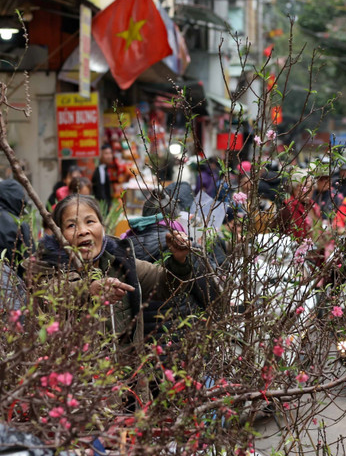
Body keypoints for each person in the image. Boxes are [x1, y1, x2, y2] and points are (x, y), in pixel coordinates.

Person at [29, 194, 192, 346]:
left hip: (123, 373)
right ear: (59, 235)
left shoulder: (121, 262)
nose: (83, 231)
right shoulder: (46, 266)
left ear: (102, 227)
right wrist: (89, 290)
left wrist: (179, 260)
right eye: (71, 225)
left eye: (90, 222)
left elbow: (167, 284)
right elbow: (53, 294)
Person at [124, 183, 220, 338]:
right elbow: (211, 298)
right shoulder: (185, 247)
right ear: (176, 218)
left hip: (140, 341)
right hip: (180, 337)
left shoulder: (125, 248)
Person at [92, 144, 117, 209]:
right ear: (100, 155)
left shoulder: (105, 168)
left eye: (110, 153)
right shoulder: (101, 170)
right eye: (106, 153)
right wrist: (107, 206)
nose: (109, 156)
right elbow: (101, 192)